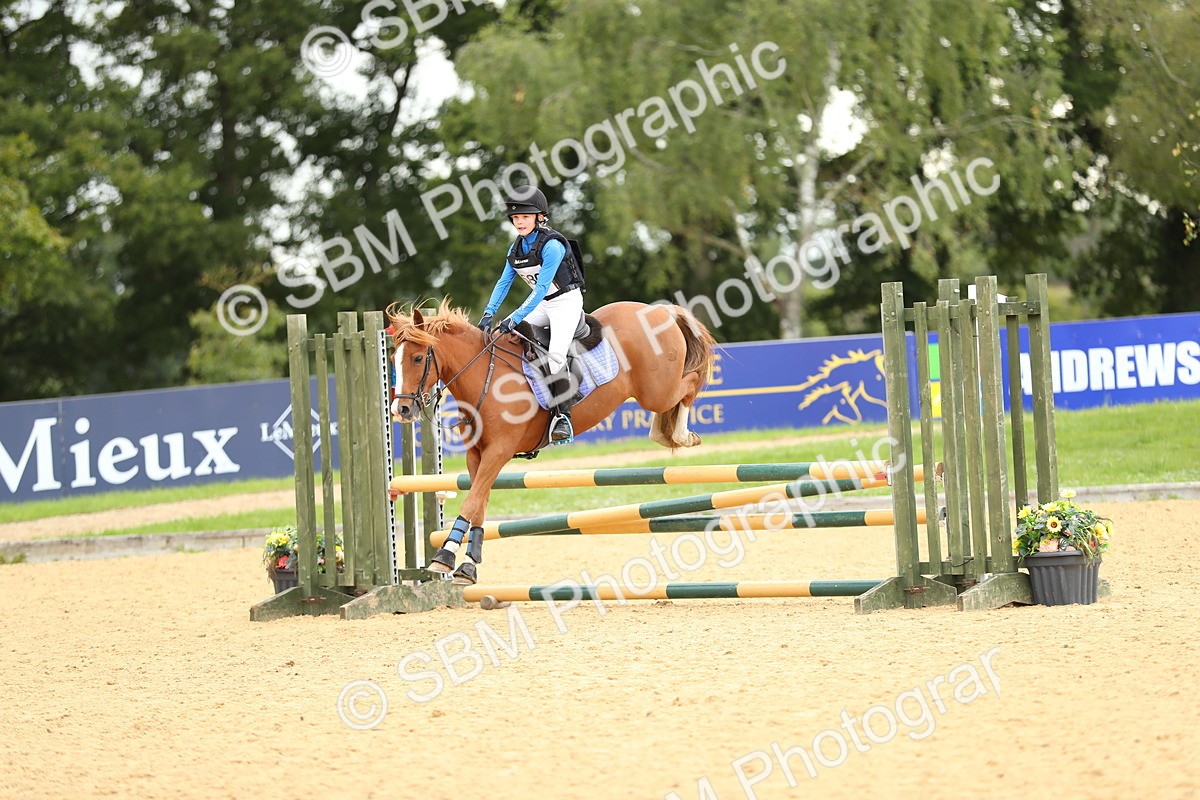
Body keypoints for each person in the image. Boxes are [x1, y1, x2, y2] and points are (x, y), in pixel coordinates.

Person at [478, 185, 585, 443]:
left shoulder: (552, 246)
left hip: (565, 302)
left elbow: (539, 289)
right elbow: (503, 283)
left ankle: (563, 417)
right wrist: (488, 314)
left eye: (525, 216)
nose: (519, 222)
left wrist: (514, 317)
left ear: (539, 217)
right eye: (515, 218)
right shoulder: (516, 249)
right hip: (543, 304)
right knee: (508, 338)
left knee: (556, 357)